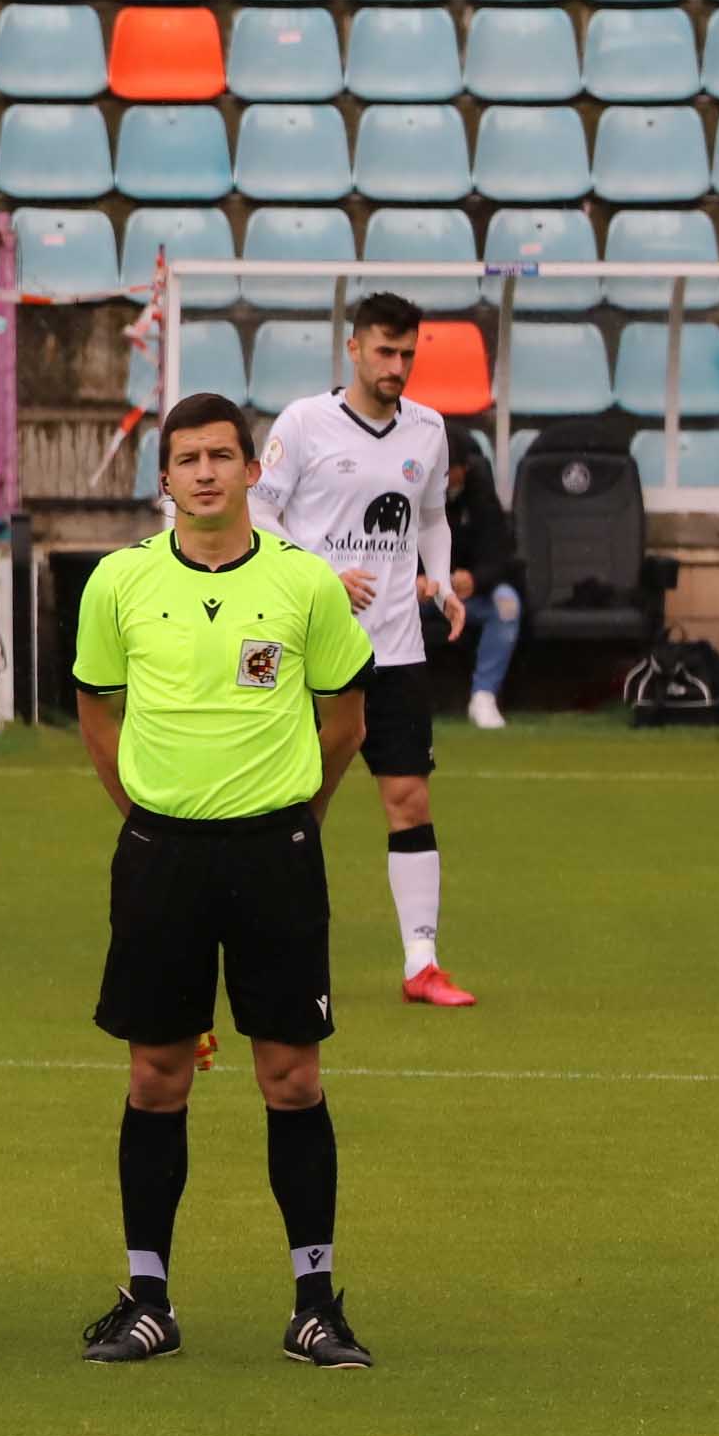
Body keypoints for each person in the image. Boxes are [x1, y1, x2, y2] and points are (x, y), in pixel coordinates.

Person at [74, 394, 379, 1370]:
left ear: (253, 469)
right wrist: (146, 815)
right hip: (160, 854)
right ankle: (147, 1300)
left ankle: (315, 1305)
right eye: (186, 459)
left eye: (220, 456)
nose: (204, 473)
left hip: (273, 854)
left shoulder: (305, 583)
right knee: (155, 1076)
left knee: (292, 1077)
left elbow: (344, 721)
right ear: (163, 478)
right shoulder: (119, 581)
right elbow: (97, 711)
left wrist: (295, 820)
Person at [253, 292, 479, 1010]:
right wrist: (321, 575)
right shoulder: (303, 423)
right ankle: (280, 952)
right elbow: (259, 512)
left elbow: (433, 518)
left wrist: (440, 582)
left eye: (407, 353)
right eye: (384, 351)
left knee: (409, 799)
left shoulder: (429, 429)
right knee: (297, 805)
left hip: (398, 648)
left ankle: (422, 963)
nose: (396, 366)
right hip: (315, 648)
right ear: (353, 349)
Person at [434, 429, 522, 732]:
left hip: (466, 594)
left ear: (465, 468)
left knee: (507, 603)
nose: (445, 478)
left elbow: (501, 555)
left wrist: (476, 579)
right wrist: (420, 578)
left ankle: (484, 695)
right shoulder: (409, 490)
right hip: (420, 591)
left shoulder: (481, 493)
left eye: (450, 470)